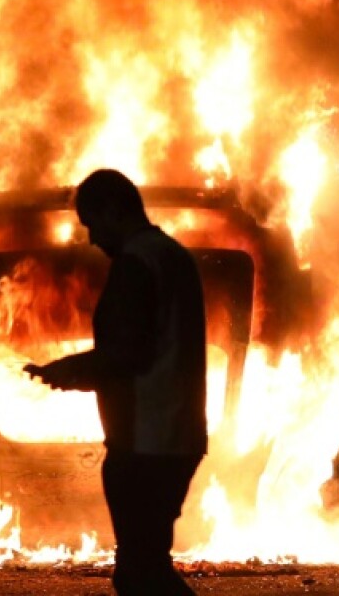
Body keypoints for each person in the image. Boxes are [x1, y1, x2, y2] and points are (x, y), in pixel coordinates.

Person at [25, 169, 207, 596]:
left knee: (141, 572)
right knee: (143, 568)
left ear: (114, 210)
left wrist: (67, 370)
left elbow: (127, 354)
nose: (91, 238)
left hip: (146, 440)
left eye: (92, 223)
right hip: (178, 435)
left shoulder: (135, 264)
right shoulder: (174, 256)